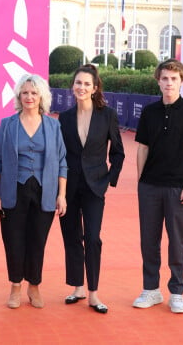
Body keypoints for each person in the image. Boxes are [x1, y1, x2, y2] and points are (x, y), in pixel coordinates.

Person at [132, 59, 183, 314]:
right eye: (164, 78)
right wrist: (141, 181)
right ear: (158, 81)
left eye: (173, 79)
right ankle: (150, 290)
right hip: (150, 187)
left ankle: (177, 292)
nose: (169, 83)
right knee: (148, 241)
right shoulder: (149, 112)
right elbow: (142, 148)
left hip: (178, 187)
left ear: (181, 81)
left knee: (177, 242)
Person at [0, 74, 68, 309]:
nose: (29, 97)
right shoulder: (8, 124)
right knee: (13, 240)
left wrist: (61, 195)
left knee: (37, 241)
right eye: (25, 93)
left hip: (44, 192)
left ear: (42, 96)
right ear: (18, 96)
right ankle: (15, 285)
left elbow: (62, 162)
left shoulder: (54, 125)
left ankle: (34, 285)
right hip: (13, 190)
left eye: (34, 93)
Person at [58, 64, 124, 314]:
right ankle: (77, 287)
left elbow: (118, 152)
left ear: (95, 88)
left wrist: (108, 179)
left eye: (87, 84)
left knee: (93, 238)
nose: (81, 88)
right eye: (78, 83)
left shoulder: (107, 115)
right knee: (71, 237)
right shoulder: (63, 118)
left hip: (96, 187)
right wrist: (59, 190)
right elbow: (59, 155)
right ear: (72, 86)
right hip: (69, 186)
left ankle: (94, 292)